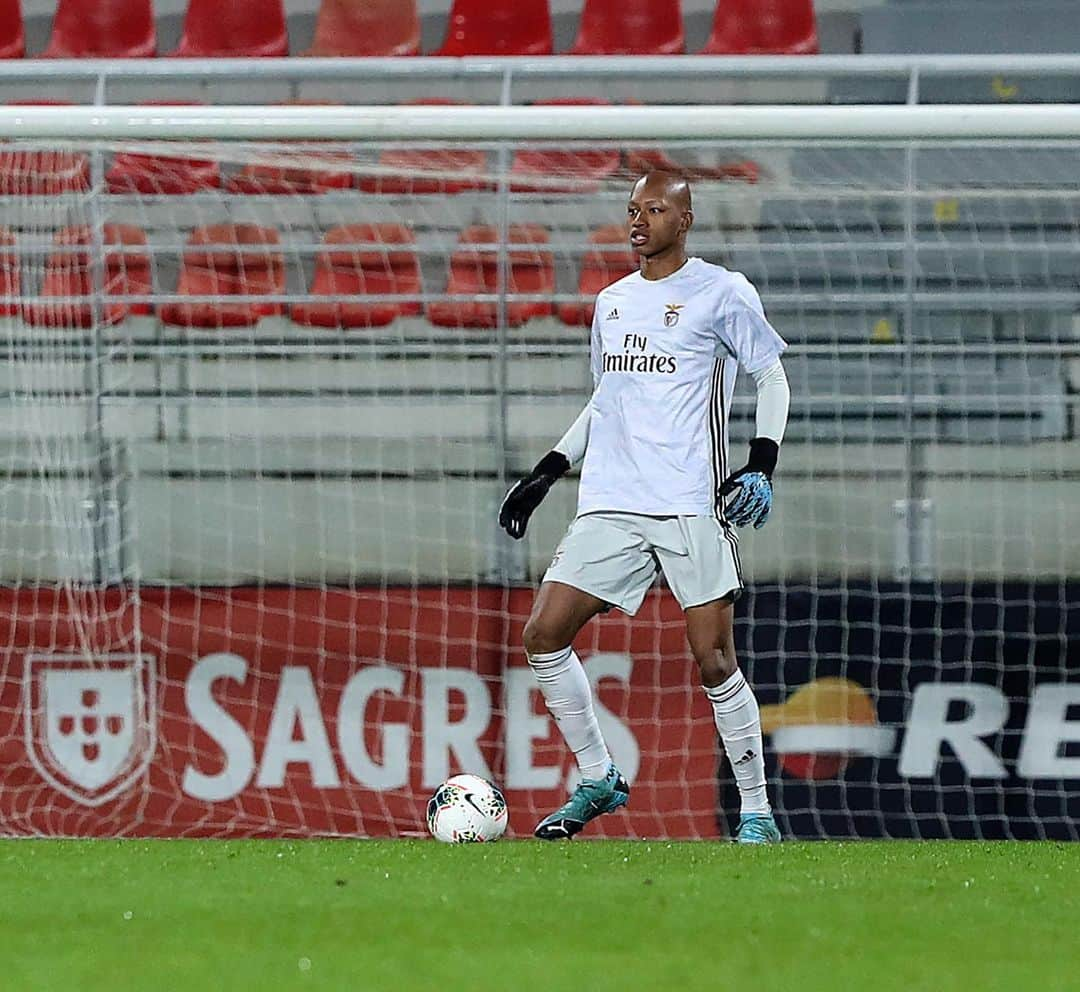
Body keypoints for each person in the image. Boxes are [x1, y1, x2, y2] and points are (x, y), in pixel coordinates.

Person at [499, 171, 791, 844]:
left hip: (691, 500)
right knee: (543, 634)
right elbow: (609, 399)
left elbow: (769, 374)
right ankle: (600, 777)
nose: (639, 220)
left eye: (655, 209)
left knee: (714, 661)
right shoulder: (613, 303)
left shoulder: (721, 291)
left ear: (684, 220)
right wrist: (548, 469)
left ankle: (756, 812)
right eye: (632, 209)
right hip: (613, 501)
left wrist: (763, 461)